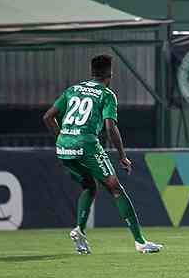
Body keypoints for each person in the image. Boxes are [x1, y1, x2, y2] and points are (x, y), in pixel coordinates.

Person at [42, 54, 162, 254]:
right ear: (110, 74)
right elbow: (110, 127)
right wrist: (122, 156)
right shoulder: (106, 95)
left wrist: (62, 139)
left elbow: (48, 117)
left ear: (91, 72)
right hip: (86, 144)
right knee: (116, 189)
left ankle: (79, 231)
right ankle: (140, 242)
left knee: (89, 185)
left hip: (64, 147)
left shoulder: (73, 90)